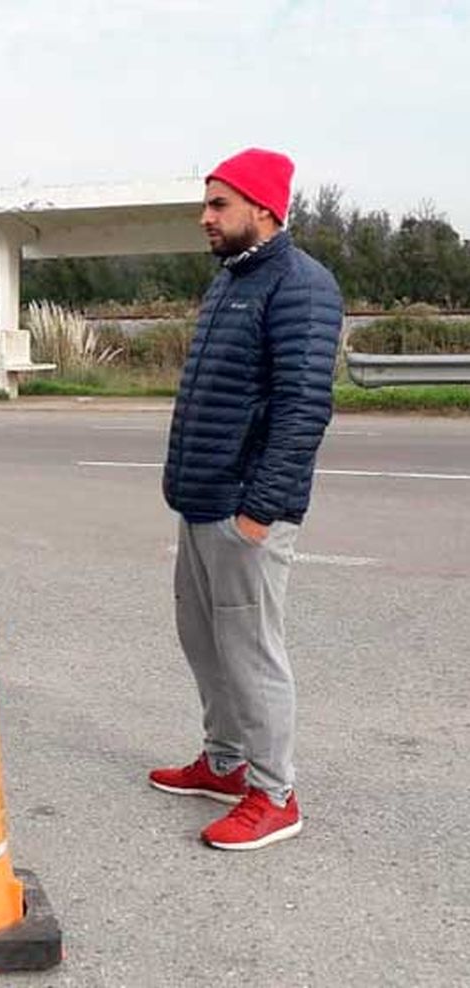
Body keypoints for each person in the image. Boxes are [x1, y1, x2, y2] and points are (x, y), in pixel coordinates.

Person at [149, 147, 344, 852]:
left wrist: (259, 510)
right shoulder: (232, 282)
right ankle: (224, 764)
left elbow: (301, 408)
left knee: (251, 652)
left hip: (246, 512)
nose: (205, 217)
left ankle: (274, 793)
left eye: (219, 204)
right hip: (201, 501)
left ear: (263, 208)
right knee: (204, 642)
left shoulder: (300, 286)